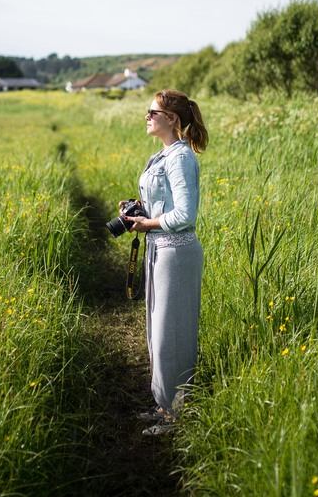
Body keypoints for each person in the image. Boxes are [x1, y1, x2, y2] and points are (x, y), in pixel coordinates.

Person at [124, 89, 209, 436]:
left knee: (172, 333)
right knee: (158, 330)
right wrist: (138, 214)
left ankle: (178, 415)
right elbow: (164, 206)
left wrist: (148, 224)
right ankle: (164, 404)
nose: (147, 116)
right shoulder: (159, 157)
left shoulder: (180, 158)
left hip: (176, 252)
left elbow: (186, 214)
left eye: (153, 112)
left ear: (171, 119)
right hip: (159, 249)